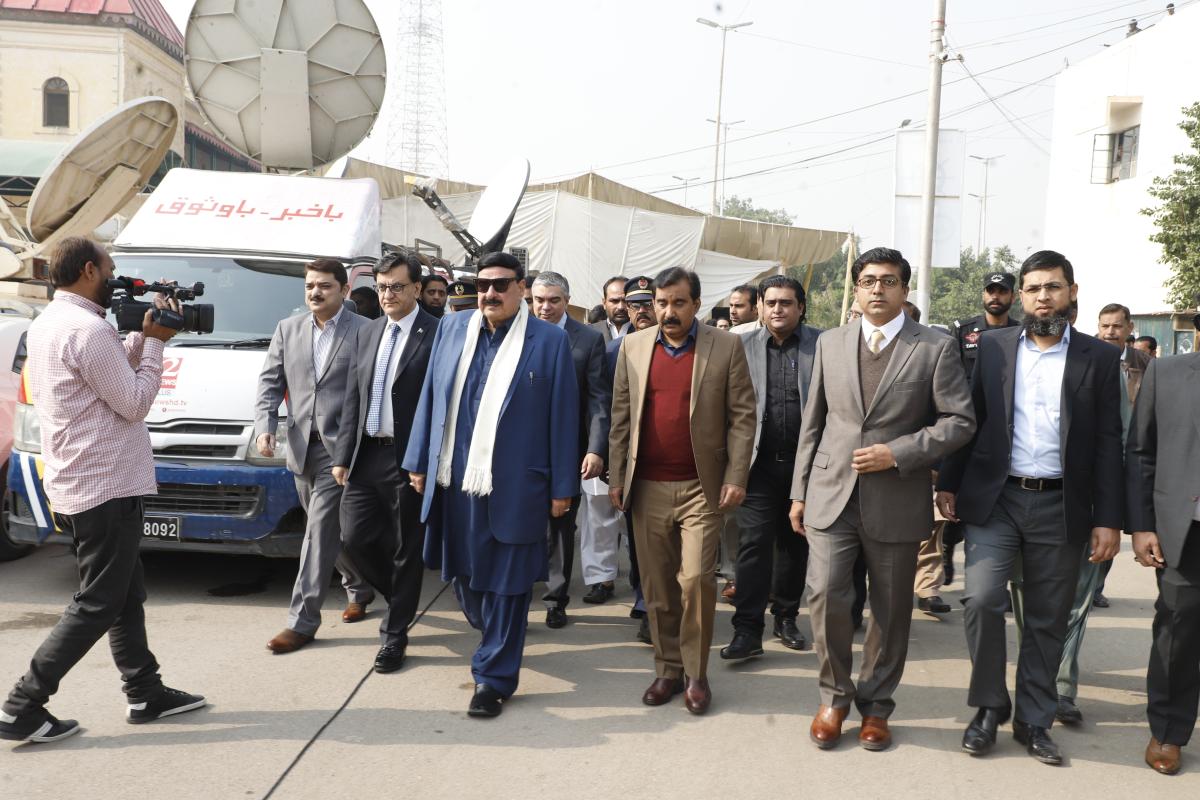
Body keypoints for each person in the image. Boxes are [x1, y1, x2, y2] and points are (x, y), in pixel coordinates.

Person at [0, 237, 205, 744]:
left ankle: (145, 691)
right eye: (110, 269)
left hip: (80, 480)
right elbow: (133, 402)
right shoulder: (88, 330)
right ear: (89, 270)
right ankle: (22, 705)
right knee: (97, 602)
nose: (115, 278)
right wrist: (155, 344)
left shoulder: (52, 322)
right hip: (105, 486)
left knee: (124, 594)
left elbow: (103, 373)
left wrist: (142, 337)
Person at [936, 250, 1123, 765]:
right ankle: (989, 706)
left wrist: (1109, 519)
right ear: (1021, 296)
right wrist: (949, 482)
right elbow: (971, 418)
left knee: (1046, 617)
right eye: (1035, 288)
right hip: (997, 499)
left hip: (1061, 504)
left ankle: (1034, 720)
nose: (1044, 297)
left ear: (1071, 293)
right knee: (981, 599)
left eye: (1053, 287)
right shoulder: (993, 348)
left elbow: (1110, 442)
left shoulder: (1099, 358)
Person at [790, 246, 974, 752]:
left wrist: (898, 453)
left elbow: (959, 421)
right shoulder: (830, 342)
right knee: (825, 596)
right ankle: (834, 698)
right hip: (831, 493)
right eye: (868, 280)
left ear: (904, 289)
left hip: (896, 496)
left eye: (888, 281)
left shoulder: (934, 347)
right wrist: (799, 492)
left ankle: (876, 705)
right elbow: (814, 422)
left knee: (891, 610)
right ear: (856, 289)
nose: (877, 289)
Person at [402, 251, 578, 717]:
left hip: (517, 486)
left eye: (501, 284)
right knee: (462, 576)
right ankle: (497, 638)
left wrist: (563, 487)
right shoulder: (452, 328)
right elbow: (430, 396)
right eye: (482, 285)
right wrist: (418, 460)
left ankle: (493, 678)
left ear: (522, 288)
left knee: (508, 585)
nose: (490, 293)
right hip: (454, 482)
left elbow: (564, 416)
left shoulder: (549, 341)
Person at [609, 266, 757, 715]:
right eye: (661, 303)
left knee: (695, 581)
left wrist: (736, 476)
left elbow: (743, 417)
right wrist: (617, 476)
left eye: (678, 303)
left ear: (696, 304)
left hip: (701, 487)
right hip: (647, 487)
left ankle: (695, 674)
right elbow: (621, 415)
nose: (668, 312)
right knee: (657, 587)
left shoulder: (725, 346)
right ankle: (667, 669)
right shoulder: (633, 346)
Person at [255, 258, 375, 655]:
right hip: (300, 445)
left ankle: (301, 622)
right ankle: (359, 586)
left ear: (343, 289)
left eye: (324, 285)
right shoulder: (287, 329)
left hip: (340, 448)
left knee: (318, 531)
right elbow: (270, 382)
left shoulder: (365, 330)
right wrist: (265, 425)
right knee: (323, 529)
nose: (315, 292)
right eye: (309, 286)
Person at [331, 252, 437, 674]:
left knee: (406, 546)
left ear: (416, 288)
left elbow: (441, 404)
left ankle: (394, 636)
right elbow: (353, 396)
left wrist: (426, 459)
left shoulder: (437, 333)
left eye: (396, 286)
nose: (387, 294)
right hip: (366, 455)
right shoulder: (368, 331)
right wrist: (343, 455)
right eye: (381, 287)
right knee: (353, 537)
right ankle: (401, 598)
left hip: (409, 458)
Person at [720, 275, 820, 662]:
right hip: (757, 466)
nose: (778, 309)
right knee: (753, 546)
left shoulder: (821, 346)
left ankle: (787, 617)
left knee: (794, 545)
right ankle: (747, 629)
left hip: (805, 466)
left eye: (787, 303)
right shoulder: (739, 346)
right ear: (759, 307)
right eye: (771, 302)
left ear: (800, 307)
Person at [1126, 346, 1200, 775]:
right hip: (1185, 530)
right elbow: (1140, 452)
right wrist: (1141, 526)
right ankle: (1168, 731)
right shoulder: (1165, 373)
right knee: (1178, 630)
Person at [529, 271, 610, 629]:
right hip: (523, 450)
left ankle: (555, 599)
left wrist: (595, 449)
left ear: (567, 301)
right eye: (539, 300)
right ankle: (518, 593)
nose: (545, 307)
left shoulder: (588, 340)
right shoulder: (518, 333)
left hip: (568, 449)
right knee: (522, 524)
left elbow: (598, 400)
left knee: (560, 525)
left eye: (553, 300)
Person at [943, 271, 1021, 583]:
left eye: (1002, 291)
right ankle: (948, 546)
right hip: (965, 420)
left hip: (1001, 424)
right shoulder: (964, 330)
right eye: (991, 290)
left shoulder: (1021, 332)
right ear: (983, 294)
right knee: (956, 490)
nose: (995, 296)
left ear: (1012, 296)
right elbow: (949, 375)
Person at [605, 276, 657, 644]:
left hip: (678, 463)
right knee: (639, 539)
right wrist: (613, 464)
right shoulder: (616, 350)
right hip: (635, 462)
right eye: (634, 304)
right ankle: (644, 598)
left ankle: (662, 605)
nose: (640, 310)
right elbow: (610, 411)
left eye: (647, 303)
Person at [580, 275, 632, 602]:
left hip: (636, 442)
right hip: (599, 438)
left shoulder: (650, 332)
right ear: (604, 302)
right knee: (598, 514)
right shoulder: (589, 335)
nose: (621, 306)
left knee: (632, 516)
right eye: (614, 300)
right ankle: (602, 579)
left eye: (627, 300)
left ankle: (641, 576)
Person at [591, 275, 631, 343]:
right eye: (615, 301)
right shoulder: (590, 332)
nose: (620, 307)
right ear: (604, 303)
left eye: (625, 301)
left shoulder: (645, 332)